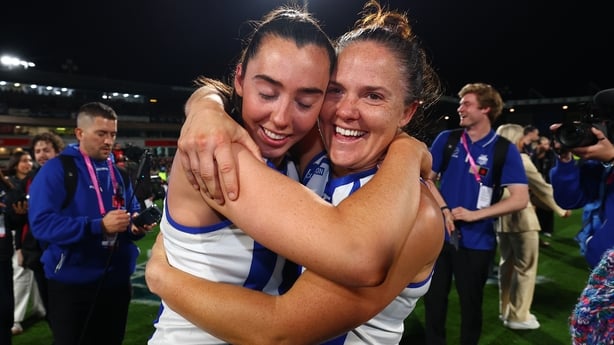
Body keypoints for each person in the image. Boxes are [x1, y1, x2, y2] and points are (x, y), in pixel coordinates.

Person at [146, 1, 443, 344]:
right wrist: (204, 103)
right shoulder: (273, 152)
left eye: (373, 96)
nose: (346, 111)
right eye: (336, 91)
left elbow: (281, 329)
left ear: (407, 111)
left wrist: (162, 279)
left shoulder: (416, 212)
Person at [28, 102, 154, 345]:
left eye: (113, 134)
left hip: (116, 281)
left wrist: (135, 227)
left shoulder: (118, 173)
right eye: (101, 134)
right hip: (72, 283)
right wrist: (98, 226)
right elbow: (42, 225)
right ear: (79, 133)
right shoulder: (56, 170)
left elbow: (132, 211)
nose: (108, 141)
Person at [425, 83, 529, 345]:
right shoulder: (447, 139)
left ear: (486, 109)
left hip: (477, 241)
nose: (460, 108)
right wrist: (444, 209)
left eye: (467, 103)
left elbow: (520, 198)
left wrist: (475, 215)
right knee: (433, 300)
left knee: (471, 304)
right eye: (460, 103)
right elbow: (426, 180)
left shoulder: (504, 149)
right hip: (439, 237)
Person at [495, 123, 570, 330]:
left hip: (501, 221)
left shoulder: (494, 160)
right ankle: (519, 317)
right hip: (523, 219)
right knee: (525, 269)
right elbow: (542, 188)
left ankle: (505, 311)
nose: (525, 141)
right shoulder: (521, 159)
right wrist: (560, 209)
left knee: (506, 267)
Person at [549, 88, 614, 269]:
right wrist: (564, 160)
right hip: (603, 271)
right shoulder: (597, 163)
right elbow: (569, 200)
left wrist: (612, 157)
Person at [13, 132, 65, 331]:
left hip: (62, 249)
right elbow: (19, 219)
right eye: (37, 151)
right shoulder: (29, 180)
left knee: (66, 302)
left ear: (57, 151)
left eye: (46, 150)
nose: (41, 155)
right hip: (36, 252)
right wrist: (19, 248)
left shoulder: (67, 177)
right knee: (48, 302)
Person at [4, 150, 42, 335]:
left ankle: (39, 308)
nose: (28, 164)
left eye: (29, 160)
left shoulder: (33, 180)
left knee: (35, 272)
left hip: (32, 234)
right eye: (23, 161)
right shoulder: (11, 183)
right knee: (21, 274)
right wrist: (19, 247)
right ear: (15, 164)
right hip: (16, 235)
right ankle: (16, 319)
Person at [0, 169, 18, 345]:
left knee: (4, 311)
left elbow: (13, 221)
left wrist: (19, 215)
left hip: (3, 256)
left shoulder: (7, 188)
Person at [531, 135, 558, 245]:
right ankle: (537, 229)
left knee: (548, 205)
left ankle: (547, 229)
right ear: (539, 144)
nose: (548, 146)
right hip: (534, 185)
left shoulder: (551, 155)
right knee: (534, 208)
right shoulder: (532, 155)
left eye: (548, 143)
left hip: (547, 184)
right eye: (545, 144)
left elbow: (553, 167)